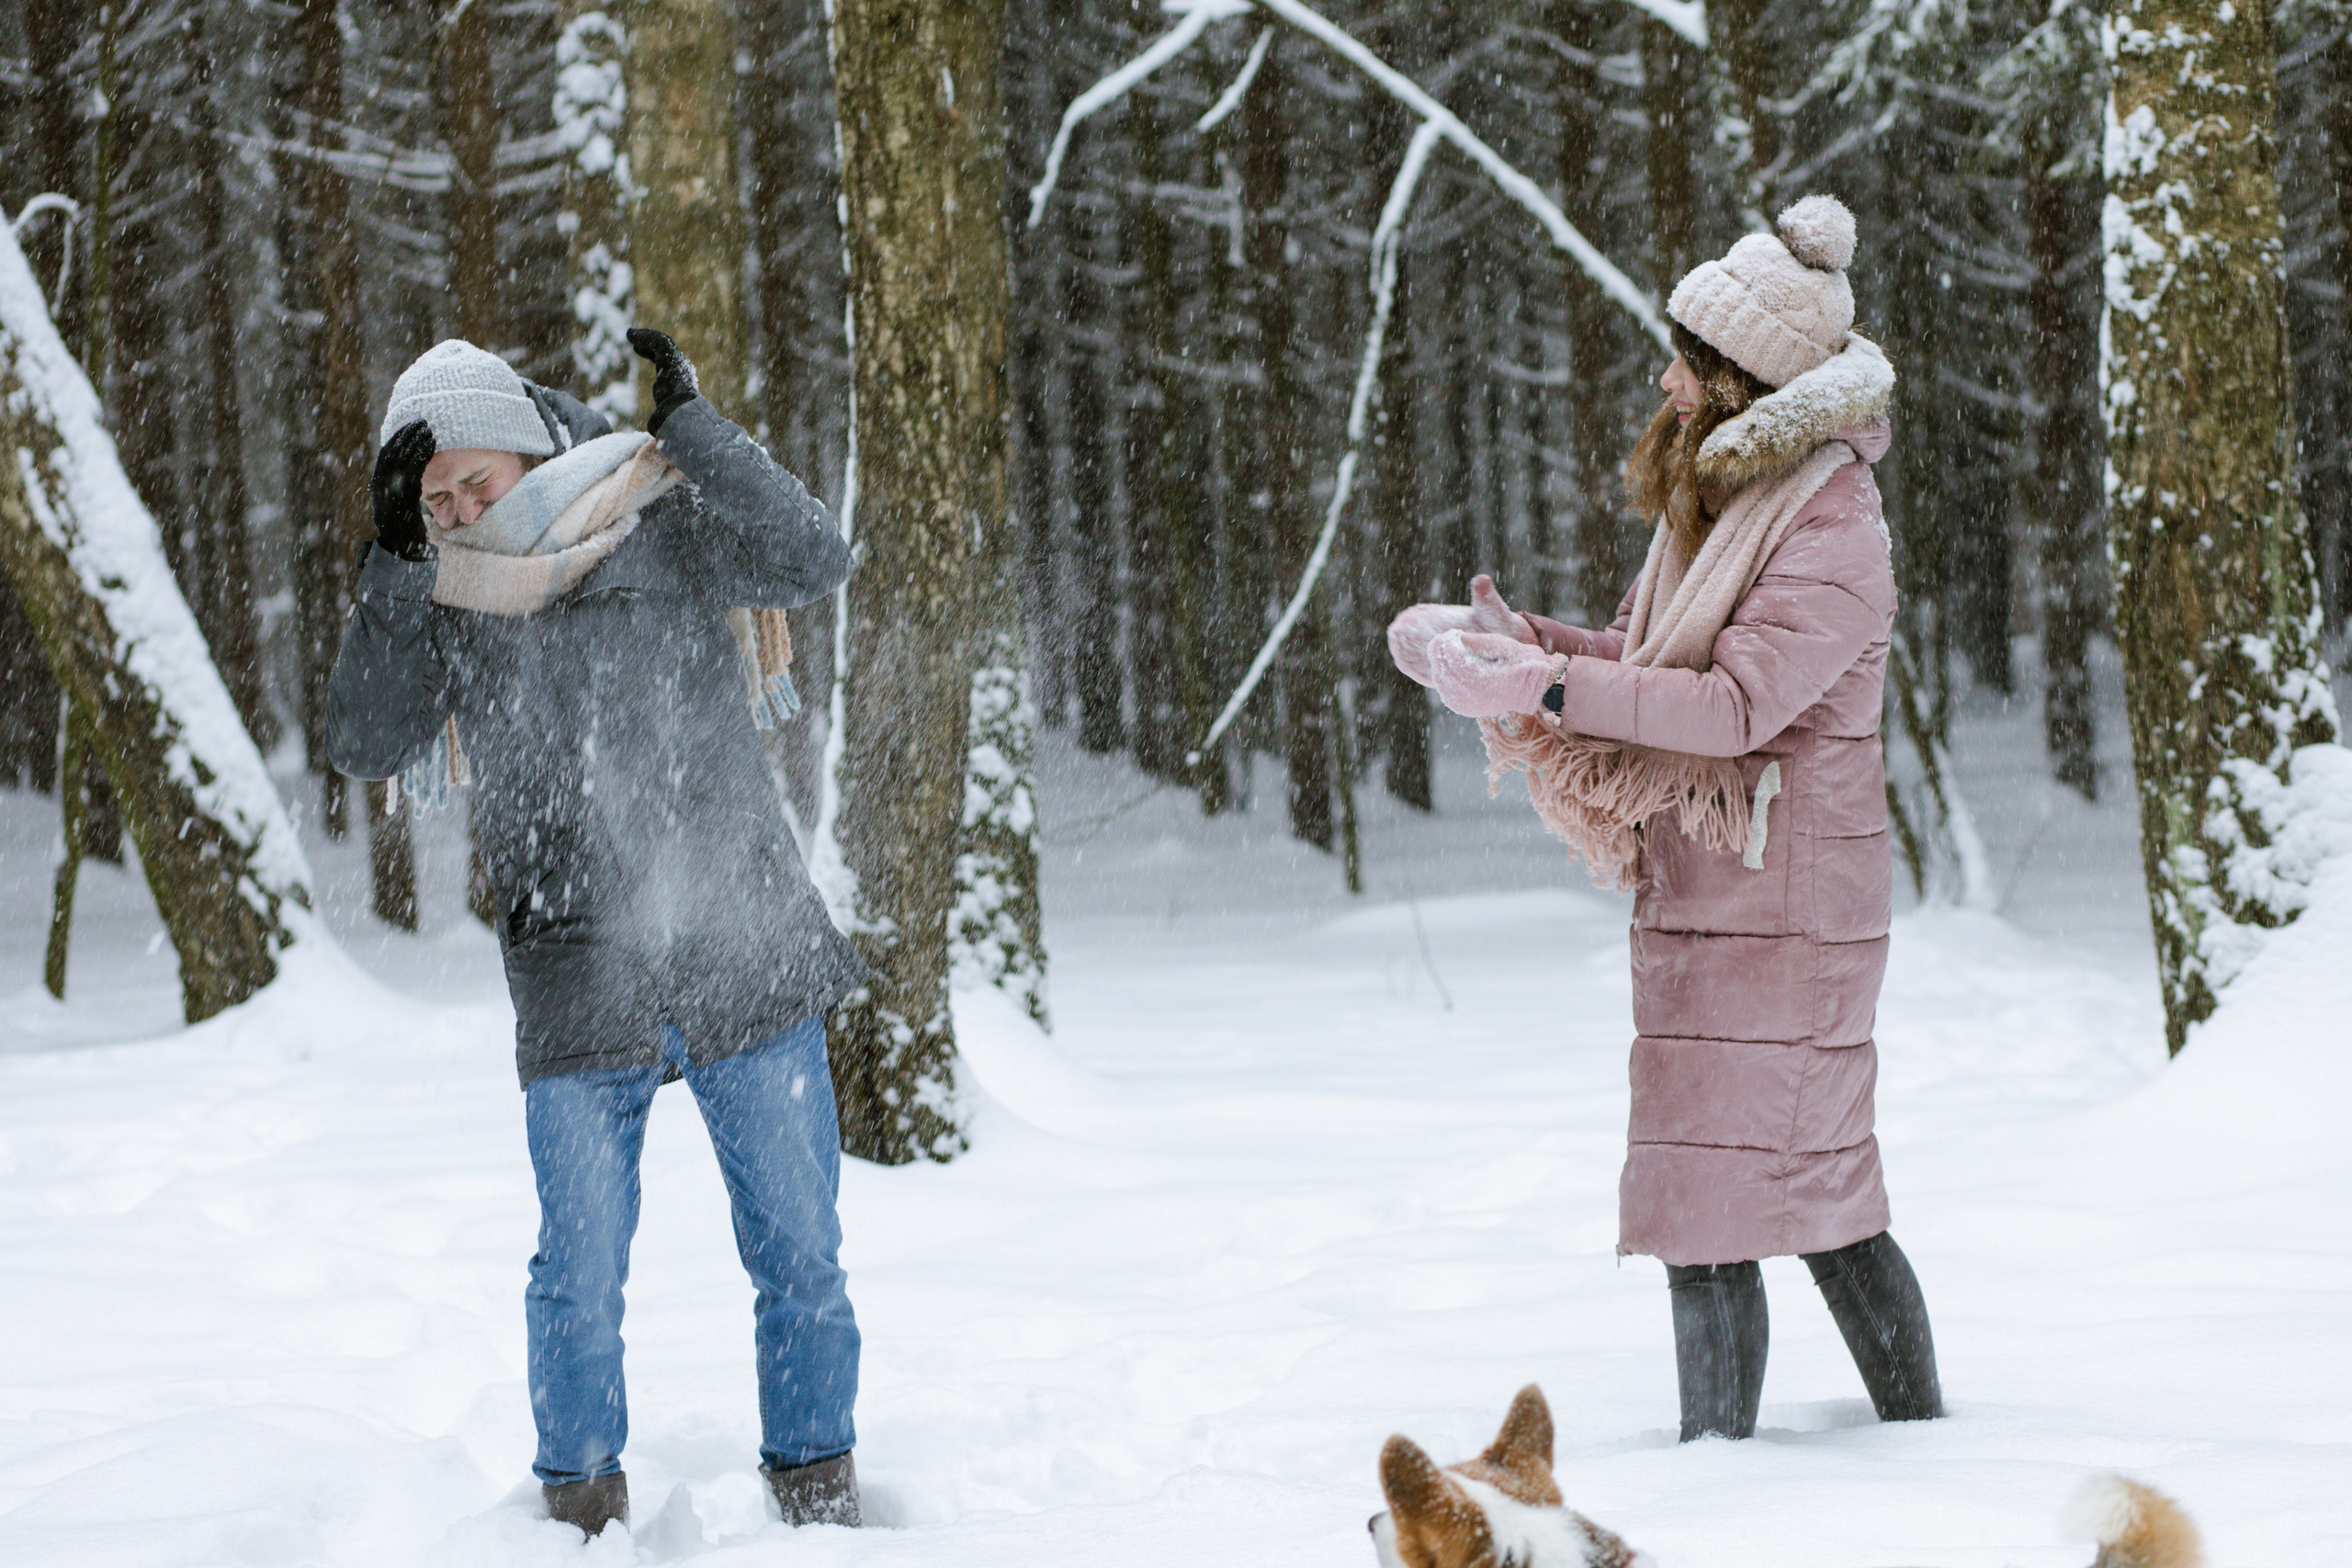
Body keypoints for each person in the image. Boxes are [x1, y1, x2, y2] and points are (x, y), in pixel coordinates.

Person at [1386, 196, 1943, 1443]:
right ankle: (1758, 1464)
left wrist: (1543, 688)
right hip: (1710, 896)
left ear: (1748, 383)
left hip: (1789, 911)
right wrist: (1526, 643)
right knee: (1726, 1199)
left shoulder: (1834, 529)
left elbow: (1735, 705)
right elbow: (1649, 658)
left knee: (1810, 1204)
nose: (1667, 378)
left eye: (1689, 361)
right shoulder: (1730, 507)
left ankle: (1865, 1467)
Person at [326, 330, 869, 1533]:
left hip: (743, 946)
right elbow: (364, 739)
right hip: (576, 974)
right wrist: (396, 566)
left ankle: (821, 1501)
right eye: (438, 497)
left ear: (527, 441)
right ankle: (576, 1518)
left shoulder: (655, 513)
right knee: (576, 1285)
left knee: (804, 1264)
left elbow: (812, 556)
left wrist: (694, 435)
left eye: (478, 477)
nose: (465, 507)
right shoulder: (450, 595)